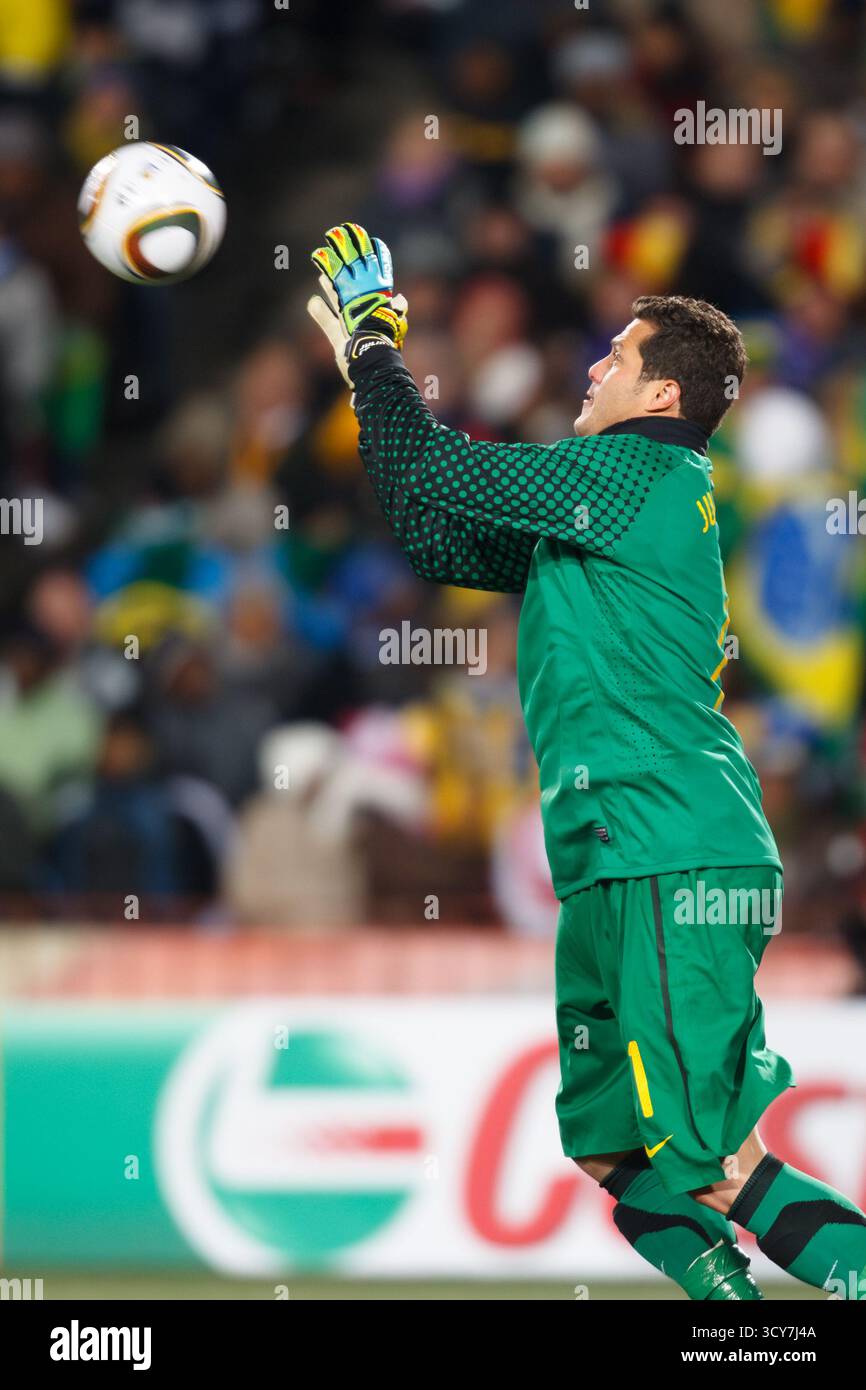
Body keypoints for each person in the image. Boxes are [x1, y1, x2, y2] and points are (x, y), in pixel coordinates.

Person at [306, 223, 866, 1301]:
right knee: (611, 1151)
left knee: (713, 1167)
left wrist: (378, 344)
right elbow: (428, 524)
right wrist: (362, 372)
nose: (592, 366)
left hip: (668, 846)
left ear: (660, 399)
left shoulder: (632, 472)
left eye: (615, 356)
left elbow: (434, 464)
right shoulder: (596, 512)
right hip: (618, 855)